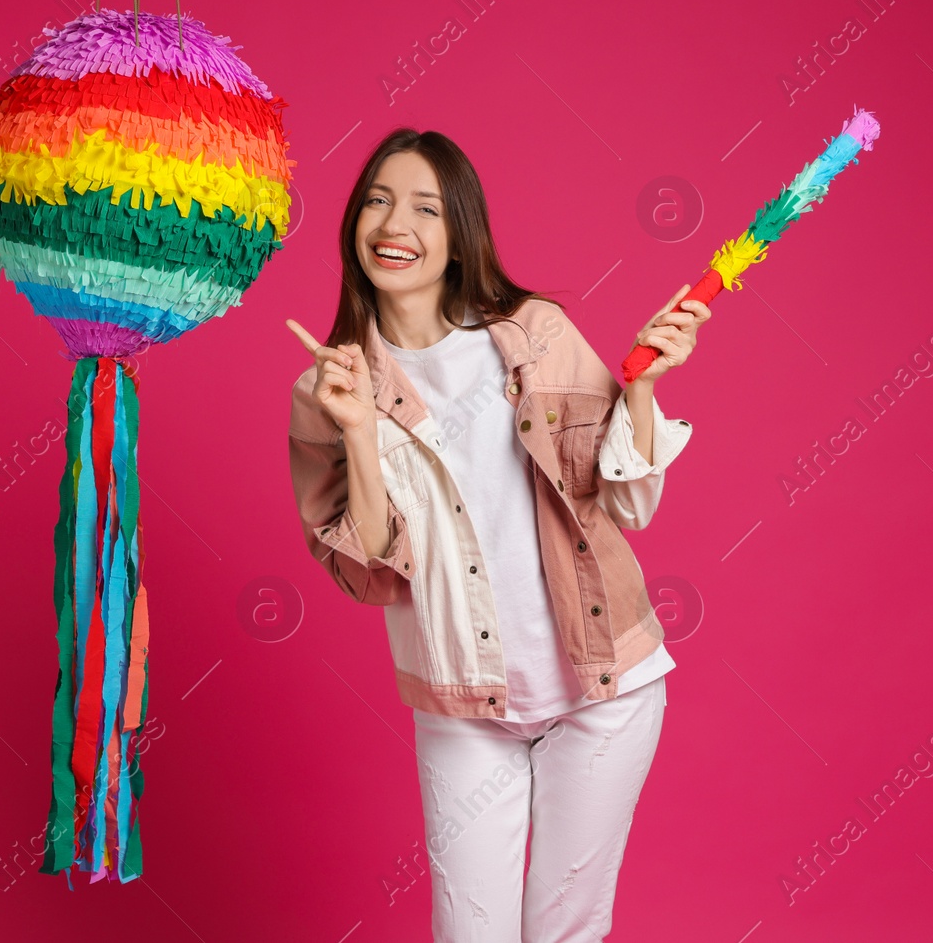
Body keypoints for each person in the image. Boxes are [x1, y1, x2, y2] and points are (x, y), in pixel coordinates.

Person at [285, 127, 708, 942]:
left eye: (424, 207)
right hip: (461, 702)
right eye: (376, 201)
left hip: (605, 689)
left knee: (567, 931)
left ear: (459, 235)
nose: (392, 224)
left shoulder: (535, 333)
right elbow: (368, 573)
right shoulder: (324, 389)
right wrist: (361, 434)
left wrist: (644, 389)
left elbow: (624, 504)